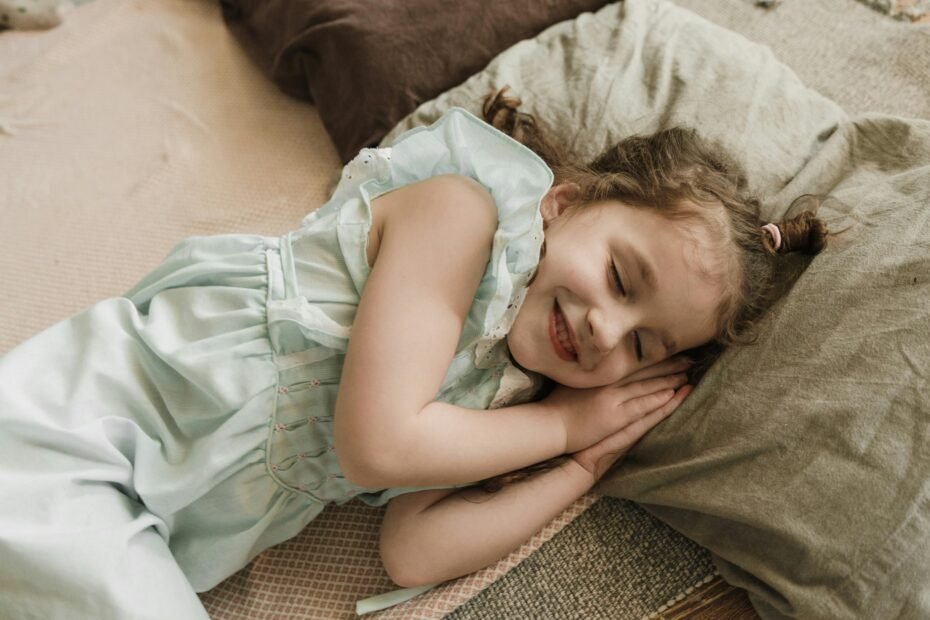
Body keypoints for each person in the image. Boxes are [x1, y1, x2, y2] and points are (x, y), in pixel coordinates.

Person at [0, 89, 827, 619]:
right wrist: (569, 430)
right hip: (67, 441)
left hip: (132, 522)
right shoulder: (460, 215)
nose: (608, 330)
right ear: (564, 202)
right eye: (619, 276)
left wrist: (581, 469)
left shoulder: (495, 400)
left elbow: (414, 546)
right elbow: (378, 445)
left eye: (643, 343)